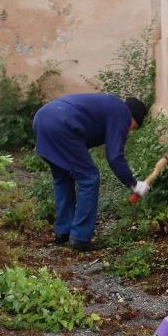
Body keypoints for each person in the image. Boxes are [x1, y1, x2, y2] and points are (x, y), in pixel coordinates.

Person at [32, 93, 150, 252]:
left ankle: (63, 233)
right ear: (133, 118)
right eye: (133, 127)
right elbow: (115, 156)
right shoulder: (122, 113)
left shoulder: (110, 105)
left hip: (43, 118)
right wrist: (133, 184)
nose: (129, 132)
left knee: (63, 177)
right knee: (89, 178)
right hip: (63, 124)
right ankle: (80, 238)